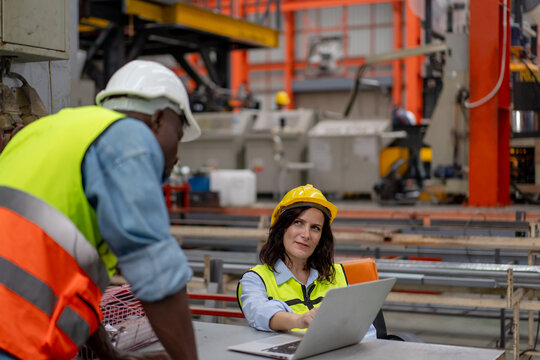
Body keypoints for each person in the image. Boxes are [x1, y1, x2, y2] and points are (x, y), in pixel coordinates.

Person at [0, 60, 201, 359]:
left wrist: (111, 357)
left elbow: (58, 278)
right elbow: (157, 274)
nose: (176, 154)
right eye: (178, 137)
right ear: (158, 119)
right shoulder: (130, 138)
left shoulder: (42, 131)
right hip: (16, 340)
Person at [237, 184, 377, 337]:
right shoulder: (255, 279)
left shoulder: (336, 275)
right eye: (298, 223)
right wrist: (300, 320)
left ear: (321, 238)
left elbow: (362, 327)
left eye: (315, 228)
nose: (306, 234)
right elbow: (258, 313)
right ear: (282, 227)